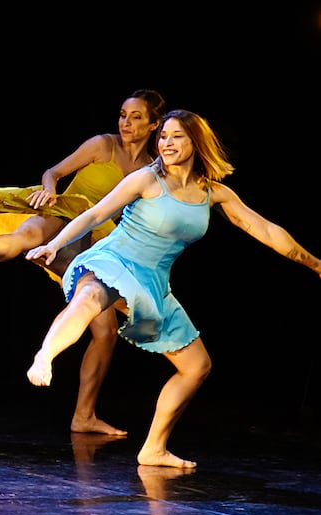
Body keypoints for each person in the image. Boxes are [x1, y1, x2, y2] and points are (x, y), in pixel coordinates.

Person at [25, 109, 321, 468]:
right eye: (163, 136)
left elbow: (267, 230)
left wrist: (314, 263)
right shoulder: (146, 180)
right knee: (90, 296)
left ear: (195, 141)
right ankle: (46, 356)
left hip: (152, 283)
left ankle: (153, 448)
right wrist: (55, 244)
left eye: (176, 136)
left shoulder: (214, 193)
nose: (166, 143)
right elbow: (94, 214)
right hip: (116, 259)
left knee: (197, 366)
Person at [0, 89, 166, 435]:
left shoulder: (151, 169)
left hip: (99, 247)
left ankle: (84, 416)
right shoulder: (103, 145)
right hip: (69, 216)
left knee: (105, 334)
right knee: (29, 236)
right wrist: (50, 190)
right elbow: (52, 172)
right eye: (122, 114)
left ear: (154, 124)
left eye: (136, 117)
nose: (126, 123)